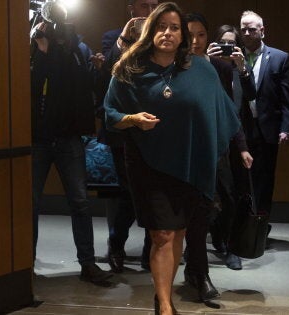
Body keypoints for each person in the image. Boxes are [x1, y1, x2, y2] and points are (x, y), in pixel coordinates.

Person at [103, 3, 240, 314]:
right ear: (151, 31)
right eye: (161, 26)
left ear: (183, 36)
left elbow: (221, 114)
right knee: (161, 232)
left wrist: (215, 152)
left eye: (174, 27)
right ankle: (165, 306)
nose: (167, 32)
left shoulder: (201, 70)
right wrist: (133, 119)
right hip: (147, 162)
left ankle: (161, 293)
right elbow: (111, 113)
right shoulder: (129, 69)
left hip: (190, 163)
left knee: (177, 231)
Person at [30, 0, 111, 284]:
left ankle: (87, 264)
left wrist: (96, 70)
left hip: (68, 137)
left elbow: (82, 86)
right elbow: (31, 84)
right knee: (31, 203)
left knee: (80, 202)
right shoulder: (35, 45)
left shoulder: (79, 49)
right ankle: (22, 266)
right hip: (37, 136)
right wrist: (41, 51)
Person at [96, 0, 159, 273]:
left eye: (154, 5)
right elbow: (110, 70)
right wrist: (126, 35)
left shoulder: (161, 38)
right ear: (131, 8)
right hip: (123, 128)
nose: (149, 10)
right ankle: (116, 245)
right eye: (144, 5)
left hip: (155, 127)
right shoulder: (114, 37)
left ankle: (150, 252)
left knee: (153, 192)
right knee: (128, 193)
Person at [206, 24, 257, 270]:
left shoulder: (237, 68)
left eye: (232, 44)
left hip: (230, 140)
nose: (227, 48)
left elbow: (235, 108)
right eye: (222, 43)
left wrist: (241, 67)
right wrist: (207, 60)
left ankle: (226, 242)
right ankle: (213, 240)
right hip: (204, 140)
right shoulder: (207, 66)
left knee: (230, 195)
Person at [239, 10, 289, 216]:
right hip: (240, 127)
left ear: (262, 31)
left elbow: (288, 97)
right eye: (243, 29)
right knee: (240, 179)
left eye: (251, 29)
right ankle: (239, 229)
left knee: (264, 179)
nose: (246, 33)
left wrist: (287, 128)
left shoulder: (280, 58)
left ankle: (260, 228)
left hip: (267, 128)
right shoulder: (235, 57)